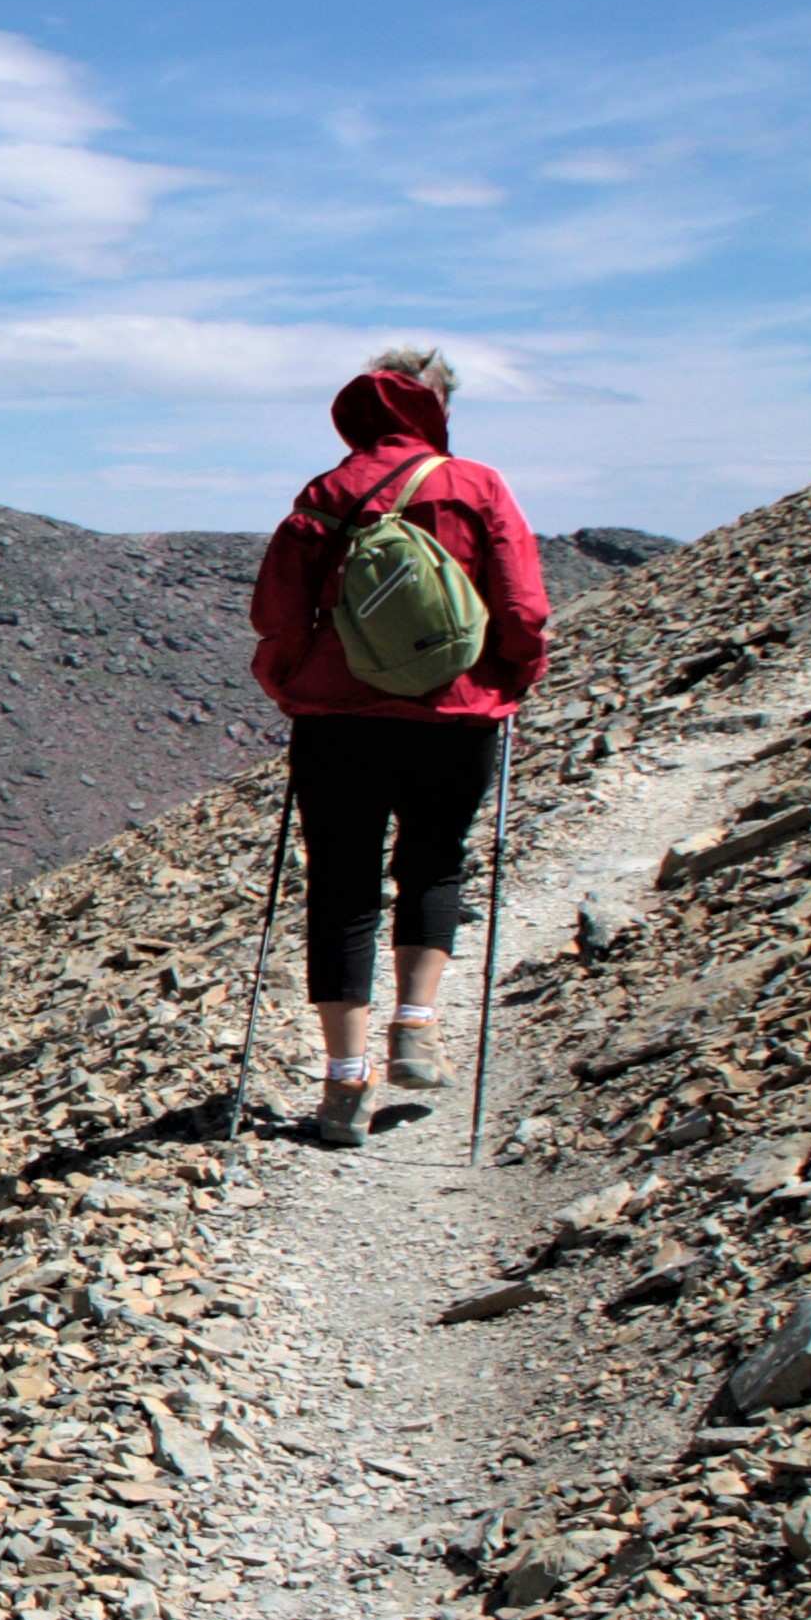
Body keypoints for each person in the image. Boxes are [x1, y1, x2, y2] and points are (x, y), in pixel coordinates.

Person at [248, 345, 552, 1148]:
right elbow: (521, 604)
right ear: (436, 407)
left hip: (338, 723)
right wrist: (509, 679)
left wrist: (293, 685)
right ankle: (415, 1026)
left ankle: (344, 1086)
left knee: (341, 888)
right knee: (434, 861)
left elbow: (280, 610)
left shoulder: (329, 492)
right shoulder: (479, 487)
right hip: (456, 714)